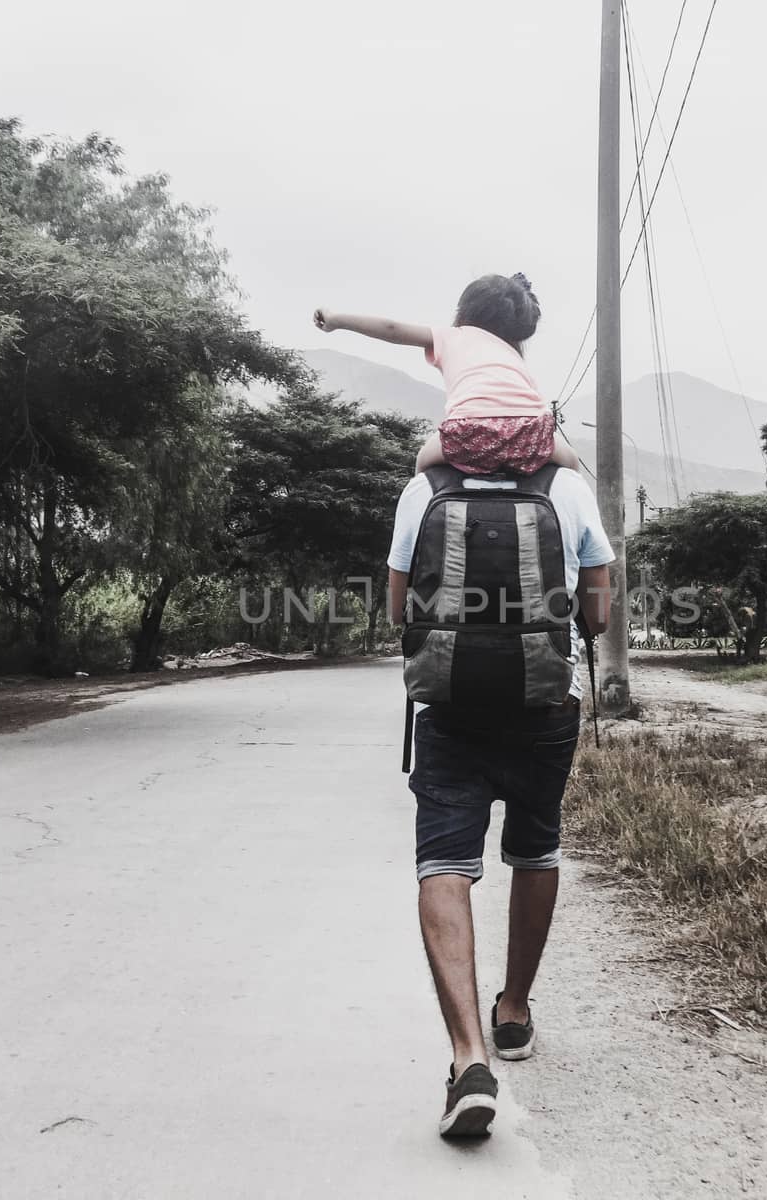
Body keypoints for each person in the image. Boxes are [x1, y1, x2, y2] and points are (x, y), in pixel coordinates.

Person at [385, 463, 614, 1138]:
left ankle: (467, 1060)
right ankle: (512, 1014)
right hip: (546, 704)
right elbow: (597, 611)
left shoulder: (424, 490)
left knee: (444, 865)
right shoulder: (567, 487)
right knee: (536, 847)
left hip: (450, 706)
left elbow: (399, 609)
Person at [313, 273, 583, 476]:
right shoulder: (513, 354)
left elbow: (391, 329)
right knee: (571, 464)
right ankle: (590, 543)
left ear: (464, 311)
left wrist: (336, 319)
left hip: (468, 433)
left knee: (422, 467)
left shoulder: (452, 336)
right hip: (531, 433)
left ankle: (413, 541)